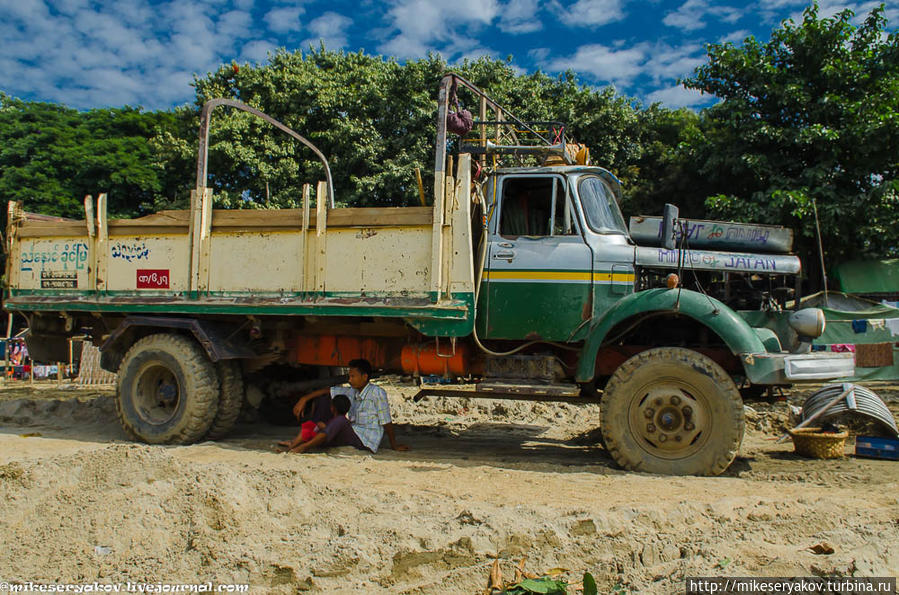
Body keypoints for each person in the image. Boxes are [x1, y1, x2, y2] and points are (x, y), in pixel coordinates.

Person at [279, 358, 409, 454]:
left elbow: (386, 422)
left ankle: (303, 447)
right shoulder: (352, 390)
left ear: (364, 377)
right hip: (351, 432)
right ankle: (294, 444)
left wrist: (394, 445)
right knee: (324, 403)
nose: (349, 380)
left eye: (353, 376)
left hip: (364, 440)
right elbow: (328, 391)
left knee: (340, 421)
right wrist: (304, 398)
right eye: (349, 376)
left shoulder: (377, 393)